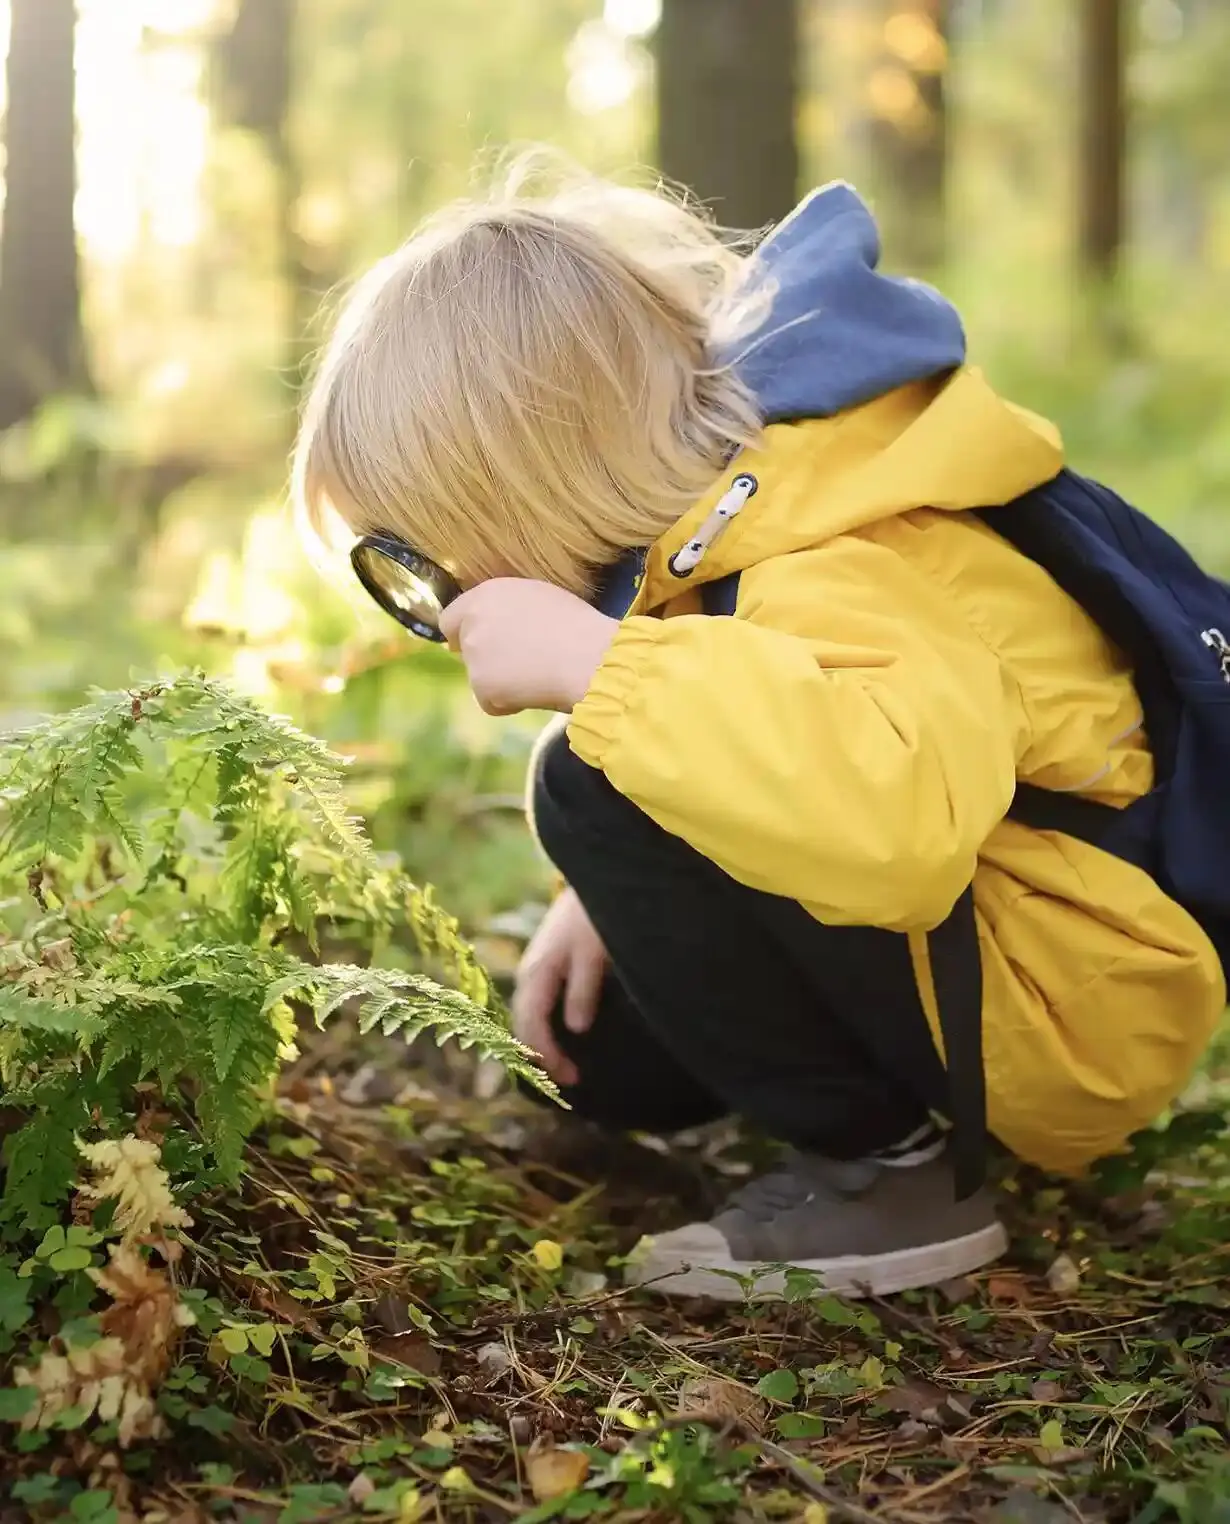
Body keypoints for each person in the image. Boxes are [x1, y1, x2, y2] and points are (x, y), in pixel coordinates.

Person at [292, 155, 1226, 1301]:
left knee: (582, 780)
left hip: (1069, 999)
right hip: (1000, 945)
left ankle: (889, 1179)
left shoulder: (846, 544)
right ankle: (834, 1108)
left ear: (527, 488)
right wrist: (607, 889)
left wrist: (600, 675)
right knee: (606, 1058)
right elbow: (765, 718)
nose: (431, 599)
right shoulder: (724, 521)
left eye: (421, 558)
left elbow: (896, 823)